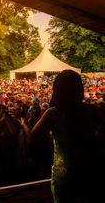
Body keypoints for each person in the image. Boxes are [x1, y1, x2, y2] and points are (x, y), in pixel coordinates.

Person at [21, 70, 104, 202]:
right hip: (89, 170)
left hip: (65, 175)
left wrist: (23, 123)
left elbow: (32, 138)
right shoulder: (91, 109)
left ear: (57, 89)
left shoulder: (53, 113)